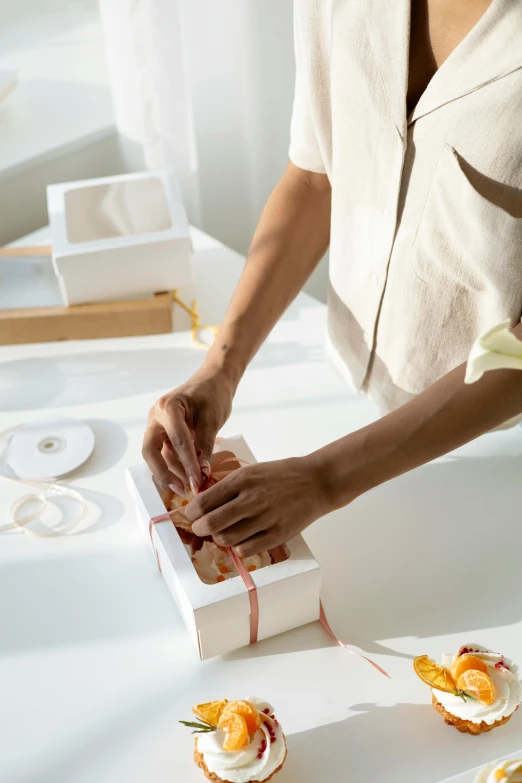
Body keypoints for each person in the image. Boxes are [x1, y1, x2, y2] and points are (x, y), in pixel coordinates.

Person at [143, 0, 522, 558]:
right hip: (342, 391)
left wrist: (324, 480)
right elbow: (317, 177)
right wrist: (220, 369)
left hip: (496, 449)